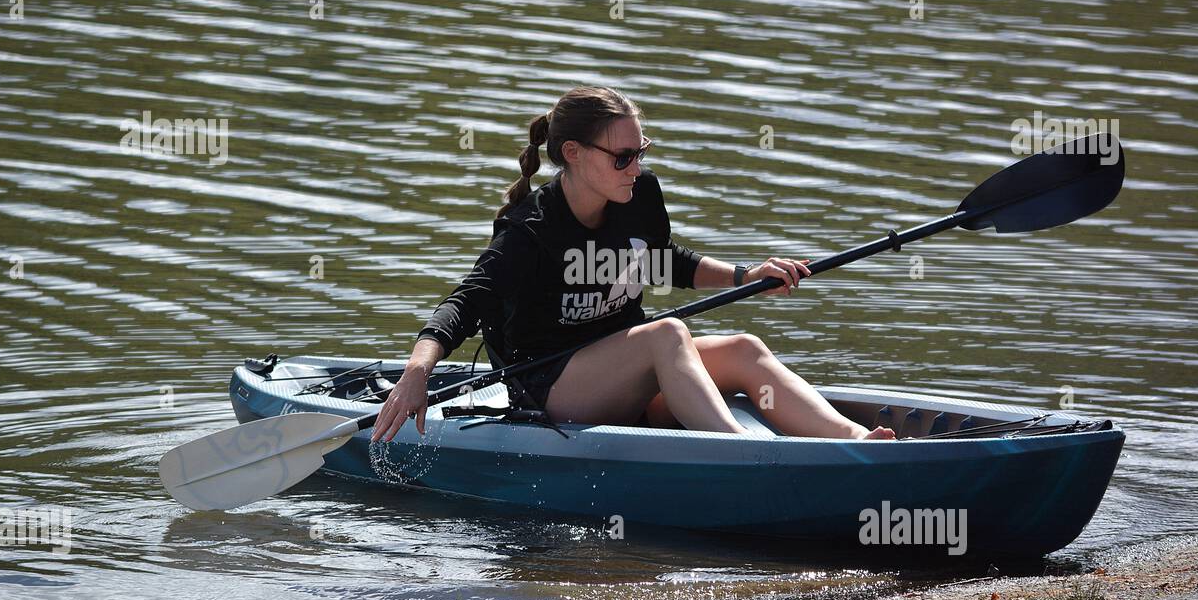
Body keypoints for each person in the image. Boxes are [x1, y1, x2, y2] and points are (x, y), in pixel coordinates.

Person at [373, 86, 895, 443]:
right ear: (573, 154)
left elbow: (662, 262)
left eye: (640, 152)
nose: (636, 167)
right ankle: (743, 453)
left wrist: (745, 276)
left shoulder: (639, 195)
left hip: (628, 373)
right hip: (554, 389)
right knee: (668, 334)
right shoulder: (530, 229)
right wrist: (417, 371)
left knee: (743, 348)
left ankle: (859, 443)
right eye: (622, 157)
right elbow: (464, 305)